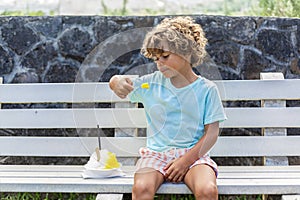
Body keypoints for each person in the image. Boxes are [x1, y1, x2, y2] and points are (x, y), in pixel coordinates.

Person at [109, 16, 227, 200]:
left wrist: (185, 161)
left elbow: (211, 133)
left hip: (194, 156)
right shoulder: (151, 85)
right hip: (155, 155)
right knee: (141, 188)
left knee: (207, 190)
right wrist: (115, 82)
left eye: (165, 56)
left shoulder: (206, 90)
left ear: (187, 52)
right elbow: (123, 84)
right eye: (156, 58)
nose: (159, 63)